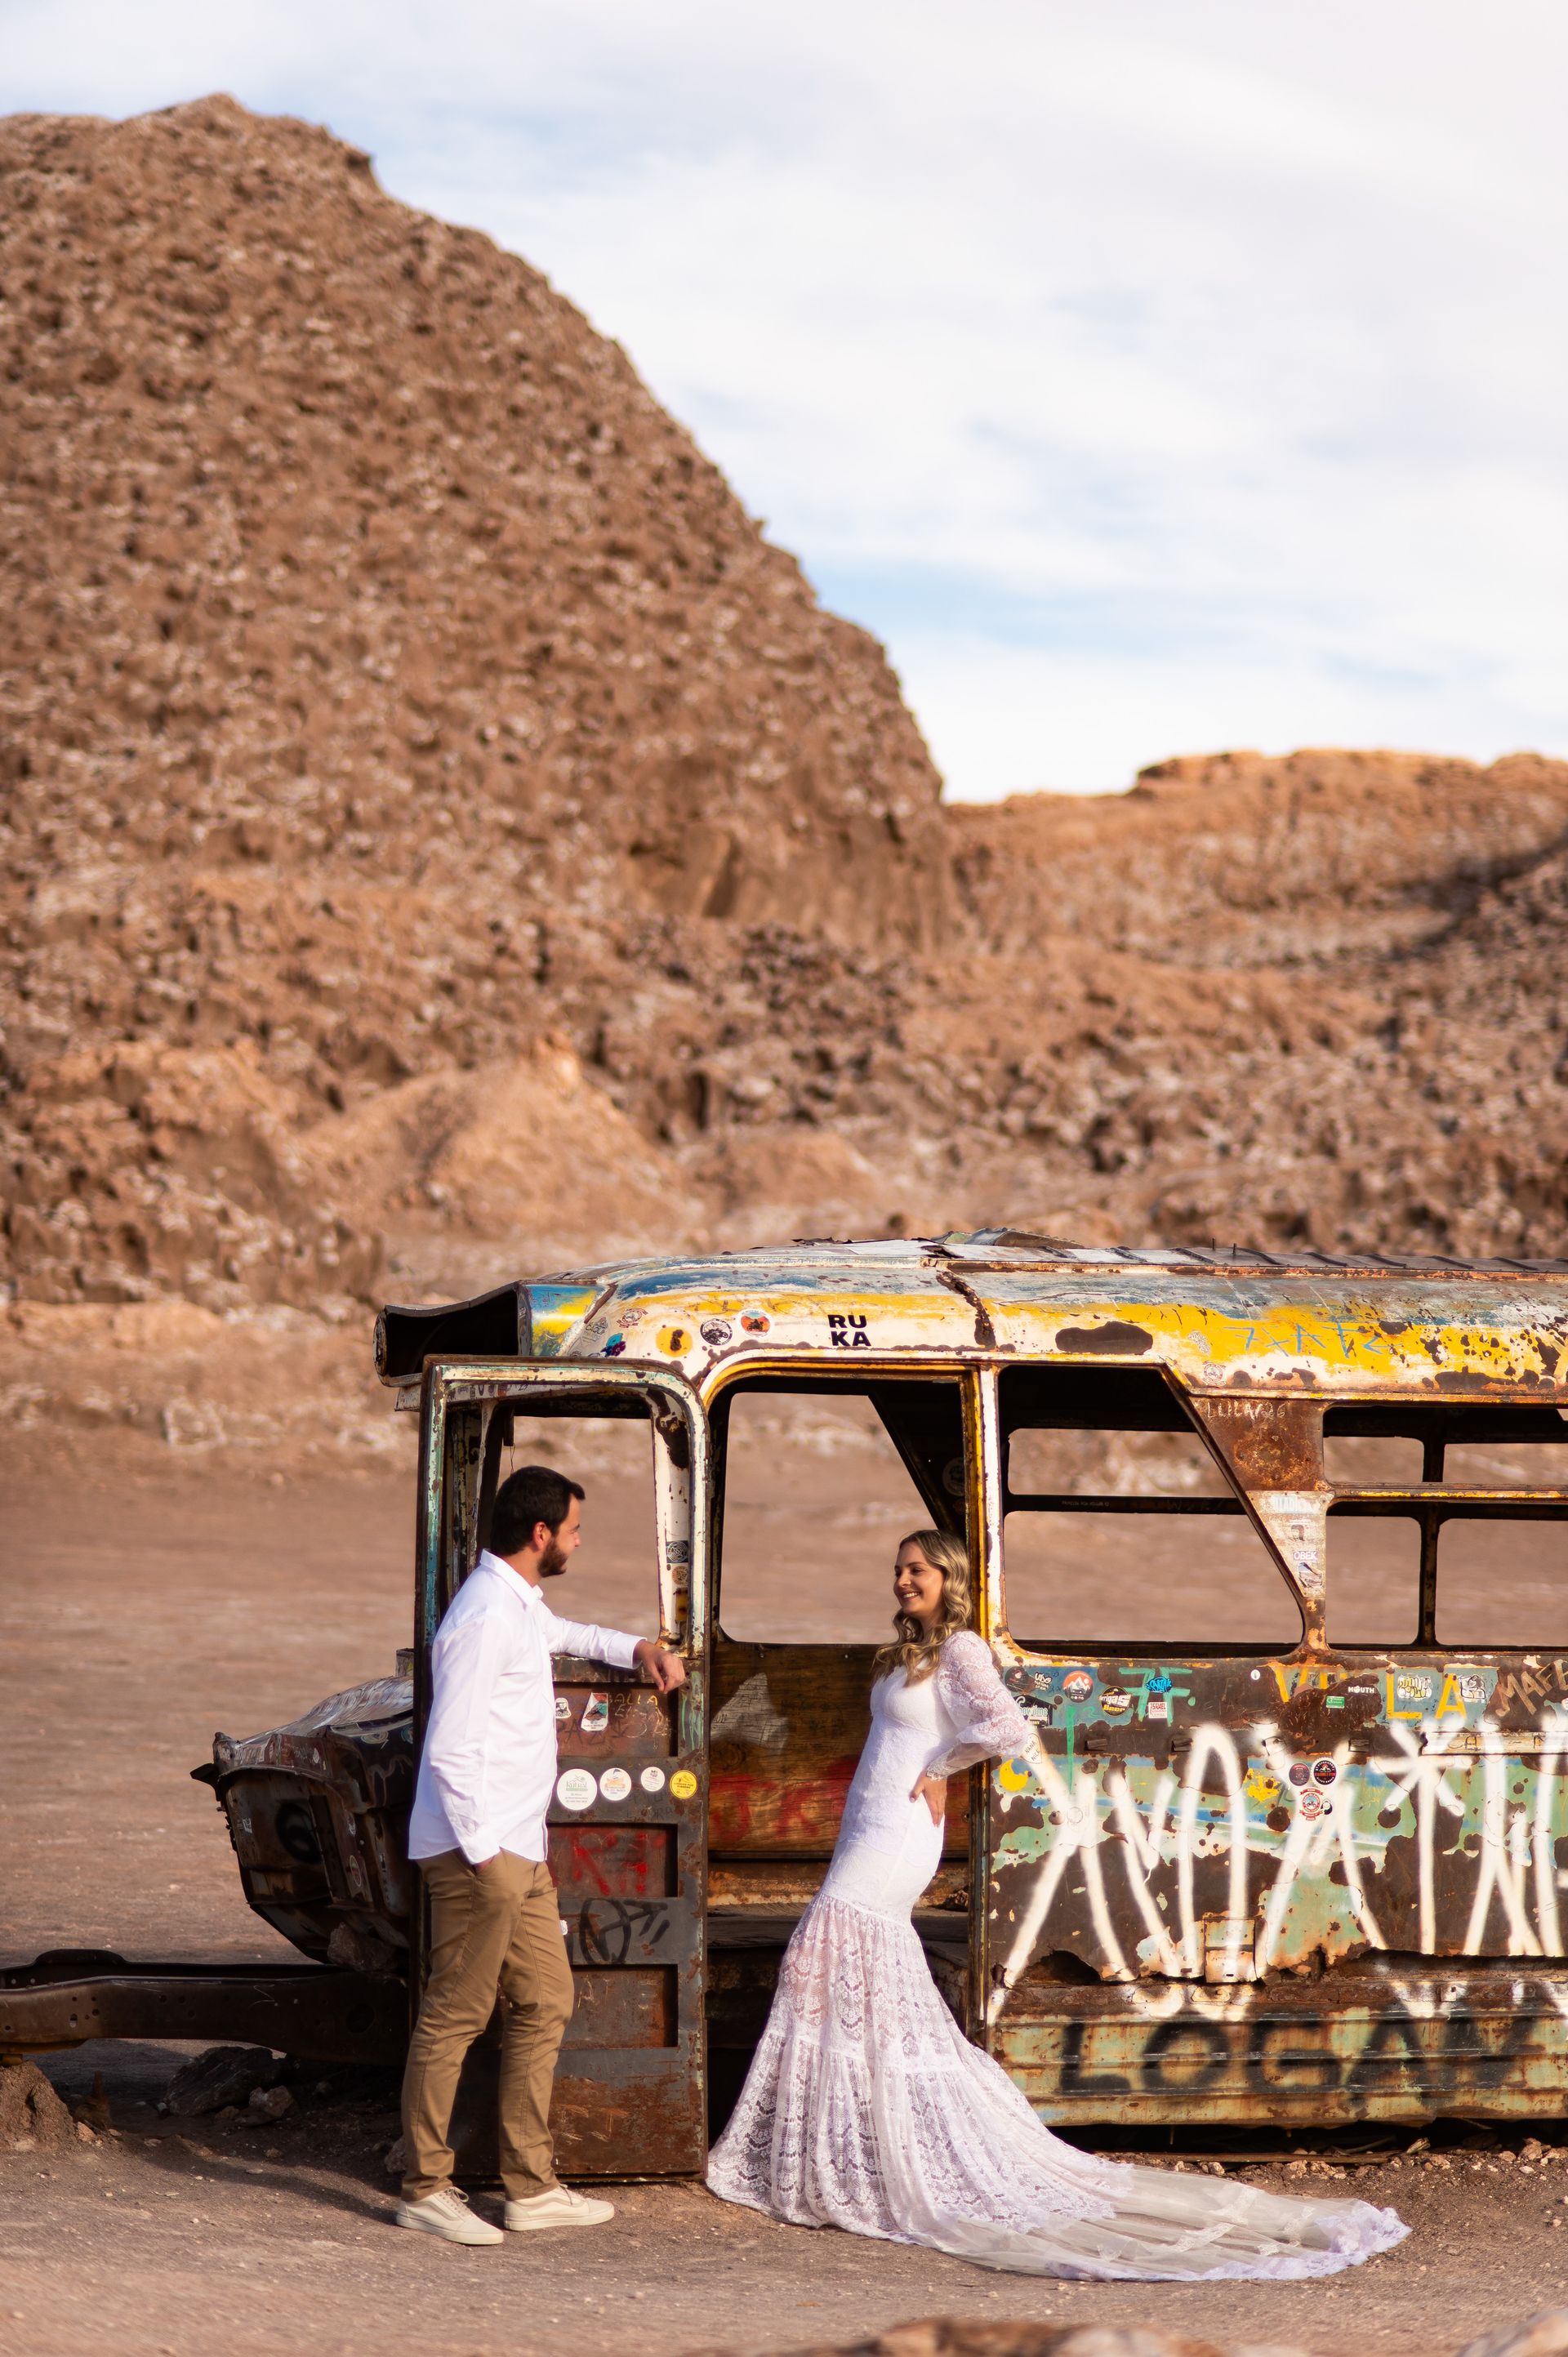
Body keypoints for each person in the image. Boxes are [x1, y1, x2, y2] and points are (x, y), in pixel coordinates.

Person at [706, 1528, 1408, 2279]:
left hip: (898, 1838)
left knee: (820, 1958)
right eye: (899, 1569)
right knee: (848, 1983)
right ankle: (852, 2150)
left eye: (917, 1570)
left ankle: (862, 2153)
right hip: (867, 1826)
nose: (903, 1580)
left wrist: (943, 1765)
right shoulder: (908, 1655)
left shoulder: (964, 1649)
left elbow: (1007, 1727)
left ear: (948, 1578)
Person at [397, 1463, 686, 2245]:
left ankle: (530, 2187)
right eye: (575, 1530)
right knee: (454, 2015)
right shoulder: (485, 1617)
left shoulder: (516, 1602)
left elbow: (564, 1636)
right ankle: (424, 2184)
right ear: (540, 1535)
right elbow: (450, 1752)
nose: (577, 1542)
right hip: (478, 1855)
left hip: (517, 1854)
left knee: (546, 2001)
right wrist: (488, 1857)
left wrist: (637, 1648)